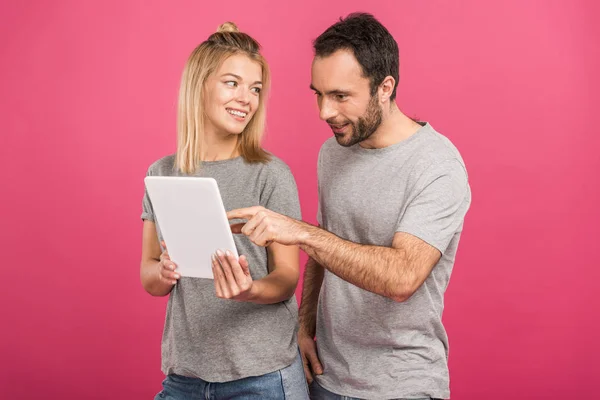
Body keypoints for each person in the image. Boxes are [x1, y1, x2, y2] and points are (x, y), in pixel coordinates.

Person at [227, 13, 471, 400]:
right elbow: (327, 249)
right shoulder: (334, 152)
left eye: (340, 96)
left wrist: (301, 232)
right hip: (327, 377)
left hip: (402, 384)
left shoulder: (437, 166)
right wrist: (305, 326)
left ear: (385, 87)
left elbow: (402, 279)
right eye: (318, 94)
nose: (325, 112)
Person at [140, 22, 309, 400]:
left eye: (255, 89)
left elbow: (285, 278)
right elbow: (148, 274)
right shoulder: (161, 174)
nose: (247, 99)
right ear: (200, 85)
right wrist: (164, 272)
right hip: (185, 374)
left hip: (263, 377)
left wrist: (249, 290)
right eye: (232, 83)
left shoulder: (271, 175)